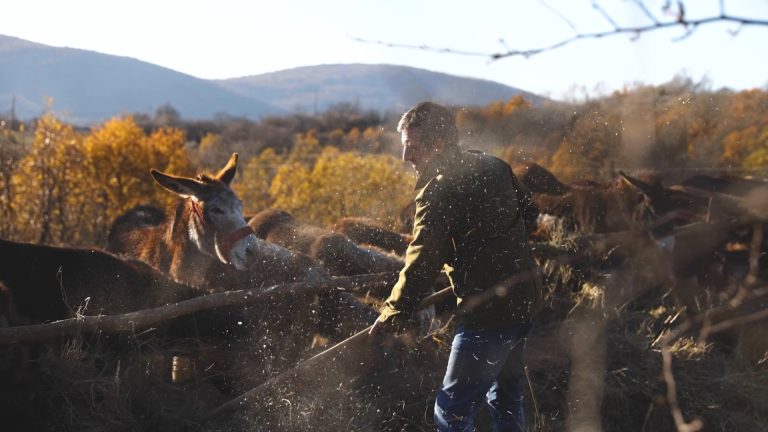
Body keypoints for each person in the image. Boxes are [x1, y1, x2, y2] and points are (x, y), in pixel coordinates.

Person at [370, 102, 543, 431]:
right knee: (506, 399)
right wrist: (495, 245)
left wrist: (393, 312)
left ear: (437, 144)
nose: (406, 157)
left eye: (412, 147)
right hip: (526, 298)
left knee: (452, 413)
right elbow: (530, 210)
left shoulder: (438, 191)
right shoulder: (492, 165)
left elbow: (423, 258)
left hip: (489, 312)